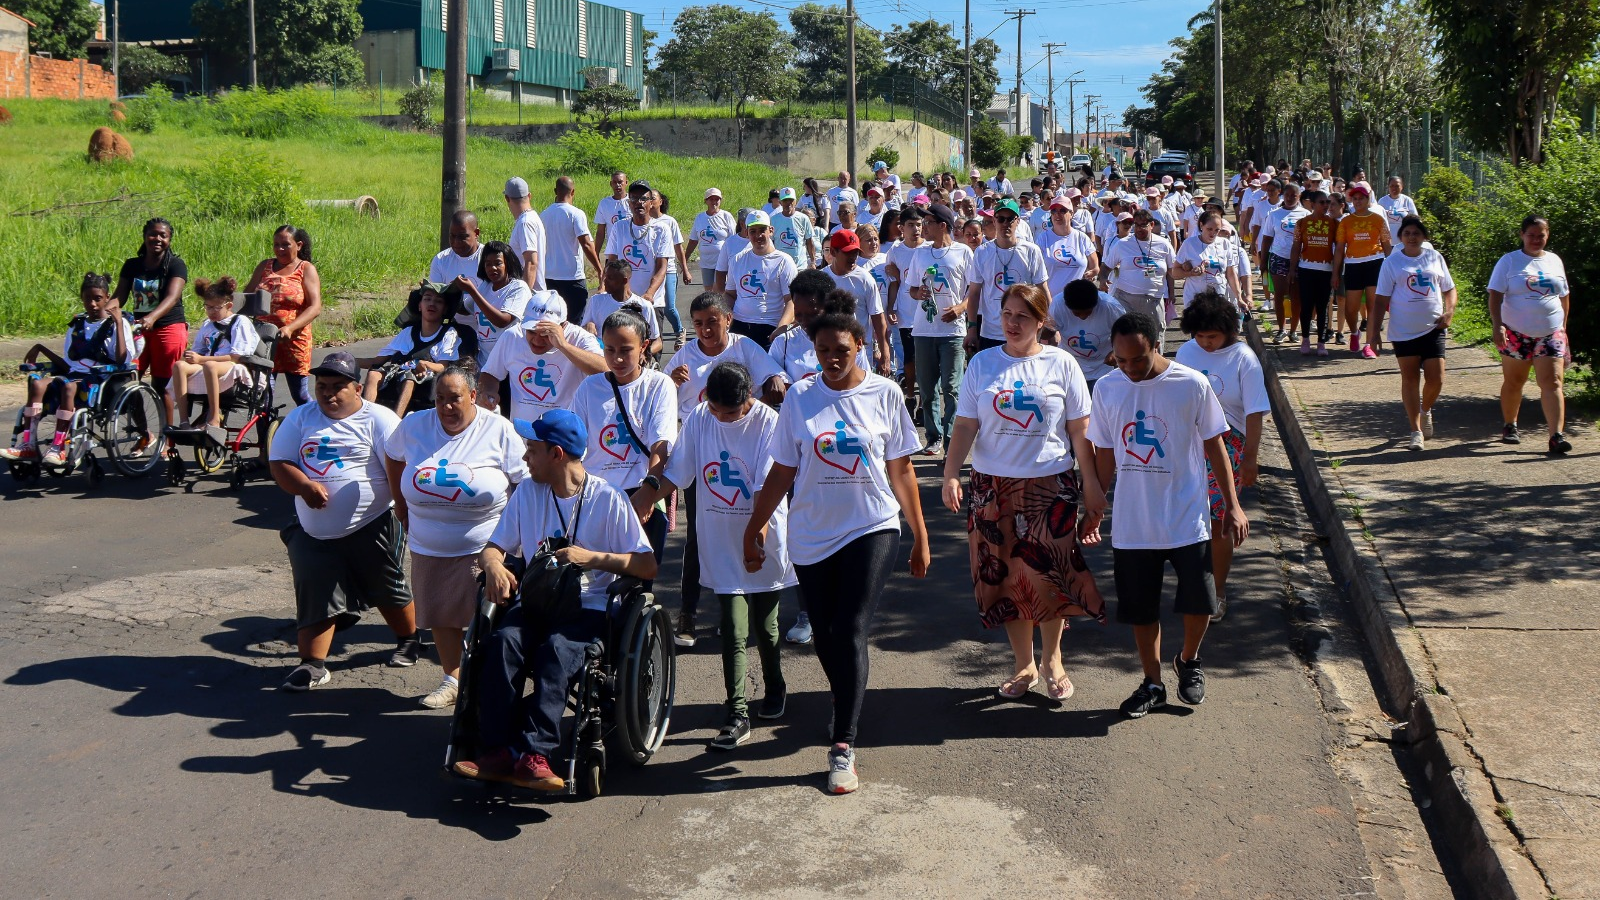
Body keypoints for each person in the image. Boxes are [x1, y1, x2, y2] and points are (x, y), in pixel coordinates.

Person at [742, 298, 929, 795]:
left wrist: (919, 534)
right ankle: (843, 695)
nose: (831, 357)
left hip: (872, 524)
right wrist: (755, 527)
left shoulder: (885, 394)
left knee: (849, 627)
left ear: (860, 345)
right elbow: (782, 470)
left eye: (841, 348)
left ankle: (843, 745)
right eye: (822, 349)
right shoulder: (800, 398)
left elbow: (902, 470)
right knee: (824, 635)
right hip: (811, 533)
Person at [451, 409, 657, 791]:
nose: (525, 458)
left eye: (532, 449)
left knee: (556, 653)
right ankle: (497, 750)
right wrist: (494, 566)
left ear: (556, 454)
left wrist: (592, 557)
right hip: (537, 602)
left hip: (587, 607)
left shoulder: (608, 499)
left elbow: (646, 565)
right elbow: (494, 547)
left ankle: (535, 754)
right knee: (501, 644)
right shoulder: (529, 492)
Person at [942, 283, 1106, 702]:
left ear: (1041, 321)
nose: (1013, 323)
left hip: (1049, 487)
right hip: (991, 489)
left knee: (1049, 577)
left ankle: (1052, 659)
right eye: (1007, 314)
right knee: (1005, 580)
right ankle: (1023, 664)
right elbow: (964, 425)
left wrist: (1092, 487)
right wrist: (950, 474)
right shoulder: (982, 364)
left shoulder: (1062, 364)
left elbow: (1079, 431)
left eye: (1023, 317)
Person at [1086, 313, 1247, 719]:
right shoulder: (1107, 389)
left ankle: (1188, 660)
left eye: (1137, 360)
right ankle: (1153, 683)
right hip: (1133, 523)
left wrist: (1232, 503)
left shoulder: (1191, 384)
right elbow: (1104, 454)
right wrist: (1093, 508)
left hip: (1186, 515)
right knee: (1141, 609)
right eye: (1121, 360)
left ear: (1157, 345)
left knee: (1200, 602)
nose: (1129, 369)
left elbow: (1216, 448)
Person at [632, 362, 794, 749]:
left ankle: (775, 687)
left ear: (748, 399)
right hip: (720, 539)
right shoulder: (702, 418)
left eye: (731, 412)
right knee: (734, 630)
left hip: (761, 534)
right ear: (706, 399)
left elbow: (764, 488)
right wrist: (644, 498)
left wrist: (754, 539)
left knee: (767, 629)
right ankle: (737, 714)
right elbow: (680, 471)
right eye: (717, 409)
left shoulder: (769, 423)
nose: (723, 418)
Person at [268, 351, 420, 692]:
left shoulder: (379, 420)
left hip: (375, 520)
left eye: (337, 386)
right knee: (314, 586)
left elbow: (399, 468)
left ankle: (409, 639)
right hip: (312, 529)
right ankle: (312, 665)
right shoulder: (301, 418)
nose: (328, 393)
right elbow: (280, 462)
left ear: (357, 388)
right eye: (321, 385)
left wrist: (406, 511)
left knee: (386, 585)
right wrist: (304, 486)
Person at [384, 360, 527, 708]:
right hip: (429, 544)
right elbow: (392, 456)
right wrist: (400, 506)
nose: (446, 407)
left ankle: (490, 683)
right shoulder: (415, 425)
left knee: (489, 621)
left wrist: (517, 532)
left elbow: (525, 481)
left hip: (487, 546)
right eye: (440, 399)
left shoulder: (498, 430)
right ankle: (453, 678)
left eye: (455, 398)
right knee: (441, 615)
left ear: (474, 396)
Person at [665, 291, 787, 645]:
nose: (704, 330)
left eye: (712, 322)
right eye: (698, 324)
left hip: (744, 451)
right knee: (700, 534)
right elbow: (661, 399)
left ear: (728, 320)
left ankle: (736, 606)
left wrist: (772, 386)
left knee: (743, 525)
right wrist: (670, 382)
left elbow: (773, 380)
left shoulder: (745, 348)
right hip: (700, 449)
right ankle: (687, 613)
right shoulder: (684, 357)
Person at [1174, 291, 1268, 620]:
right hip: (1189, 441)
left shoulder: (1244, 359)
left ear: (1227, 330)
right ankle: (1193, 581)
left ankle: (1218, 589)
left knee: (1218, 522)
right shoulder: (1186, 351)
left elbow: (1255, 413)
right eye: (1199, 335)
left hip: (1230, 444)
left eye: (1211, 336)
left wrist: (1250, 459)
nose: (1205, 343)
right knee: (1186, 517)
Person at [572, 309, 678, 567]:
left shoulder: (659, 385)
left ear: (643, 347)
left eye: (625, 350)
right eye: (609, 350)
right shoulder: (589, 387)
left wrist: (649, 489)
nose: (616, 358)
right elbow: (575, 444)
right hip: (596, 497)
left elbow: (661, 443)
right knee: (593, 582)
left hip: (642, 494)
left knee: (637, 583)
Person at [4, 272, 136, 465]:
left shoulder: (118, 323)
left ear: (107, 298)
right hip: (73, 375)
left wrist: (117, 322)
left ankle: (58, 447)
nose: (92, 304)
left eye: (98, 299)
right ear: (82, 299)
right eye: (87, 299)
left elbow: (122, 359)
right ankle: (28, 445)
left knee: (68, 386)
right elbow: (68, 365)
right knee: (38, 385)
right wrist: (41, 348)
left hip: (100, 378)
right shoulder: (77, 325)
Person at [1367, 216, 1457, 452]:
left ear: (1423, 236)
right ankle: (1415, 430)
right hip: (1404, 330)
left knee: (1436, 379)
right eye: (1407, 233)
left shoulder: (1434, 257)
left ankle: (1425, 410)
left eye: (1416, 233)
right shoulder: (1392, 263)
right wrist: (1374, 333)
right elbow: (1380, 300)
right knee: (1410, 379)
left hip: (1433, 328)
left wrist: (1449, 312)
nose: (1411, 237)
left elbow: (1449, 288)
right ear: (1401, 237)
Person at [1487, 214, 1572, 454]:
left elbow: (1564, 296)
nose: (1536, 240)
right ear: (1522, 235)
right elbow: (1495, 294)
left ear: (1548, 235)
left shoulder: (1554, 261)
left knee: (1553, 382)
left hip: (1551, 332)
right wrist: (1498, 325)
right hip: (1516, 332)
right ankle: (1510, 424)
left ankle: (1556, 436)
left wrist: (1563, 327)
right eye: (1531, 235)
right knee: (1515, 381)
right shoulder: (1509, 261)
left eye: (1541, 235)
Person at [903, 204, 973, 454]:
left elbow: (972, 291)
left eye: (928, 222)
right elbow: (911, 288)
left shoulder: (963, 252)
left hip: (952, 332)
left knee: (952, 388)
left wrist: (961, 308)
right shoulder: (920, 254)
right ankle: (934, 437)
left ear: (943, 225)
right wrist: (918, 293)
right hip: (923, 331)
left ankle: (953, 438)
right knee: (928, 387)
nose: (923, 227)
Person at [479, 291, 605, 422]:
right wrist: (488, 391)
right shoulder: (512, 336)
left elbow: (605, 370)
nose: (537, 341)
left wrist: (564, 346)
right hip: (521, 434)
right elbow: (490, 373)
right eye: (532, 332)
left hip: (562, 435)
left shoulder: (579, 338)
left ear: (563, 326)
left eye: (546, 334)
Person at [359, 283, 478, 416]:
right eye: (427, 299)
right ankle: (366, 417)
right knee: (374, 373)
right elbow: (377, 361)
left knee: (409, 377)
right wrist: (350, 360)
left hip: (424, 378)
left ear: (445, 309)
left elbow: (443, 367)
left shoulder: (449, 333)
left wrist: (425, 364)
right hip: (399, 372)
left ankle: (396, 422)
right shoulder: (408, 332)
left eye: (438, 301)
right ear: (420, 306)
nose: (432, 304)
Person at [113, 217, 188, 428]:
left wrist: (152, 317)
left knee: (160, 385)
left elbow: (172, 297)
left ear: (169, 239)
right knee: (127, 381)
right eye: (153, 234)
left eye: (163, 235)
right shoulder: (132, 265)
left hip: (168, 327)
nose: (157, 238)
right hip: (138, 330)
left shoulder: (175, 265)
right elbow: (119, 297)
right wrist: (102, 311)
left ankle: (166, 439)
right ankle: (144, 434)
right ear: (145, 236)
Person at [168, 276, 258, 431]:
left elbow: (237, 357)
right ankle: (184, 422)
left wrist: (202, 359)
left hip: (233, 365)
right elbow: (198, 350)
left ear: (228, 305)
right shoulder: (208, 325)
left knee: (210, 365)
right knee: (179, 366)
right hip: (209, 363)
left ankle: (214, 417)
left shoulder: (240, 322)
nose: (211, 312)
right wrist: (190, 356)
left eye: (216, 308)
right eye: (208, 307)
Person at [245, 225, 321, 406]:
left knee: (300, 395)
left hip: (294, 340)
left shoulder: (306, 269)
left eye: (285, 245)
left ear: (299, 245)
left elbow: (315, 307)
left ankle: (313, 428)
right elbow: (246, 298)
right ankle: (267, 434)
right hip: (264, 341)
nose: (279, 249)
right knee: (263, 397)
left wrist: (290, 327)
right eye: (276, 245)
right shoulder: (265, 266)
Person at [965, 200, 1049, 353]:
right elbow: (974, 293)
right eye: (1001, 218)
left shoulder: (1031, 251)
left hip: (1024, 330)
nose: (1005, 223)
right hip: (991, 332)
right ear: (994, 221)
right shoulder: (982, 252)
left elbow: (1042, 290)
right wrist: (971, 329)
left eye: (1010, 219)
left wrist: (1049, 325)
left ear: (1017, 221)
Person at [722, 210, 797, 348]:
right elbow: (730, 294)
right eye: (753, 231)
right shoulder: (737, 259)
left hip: (769, 327)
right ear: (746, 233)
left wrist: (781, 328)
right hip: (739, 325)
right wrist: (723, 318)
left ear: (771, 230)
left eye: (762, 230)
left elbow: (791, 300)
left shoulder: (784, 261)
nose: (758, 236)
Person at [1332, 185, 1392, 358]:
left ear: (1368, 199)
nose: (1358, 201)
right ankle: (1354, 332)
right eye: (1355, 198)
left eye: (1361, 198)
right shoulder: (1346, 222)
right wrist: (1335, 273)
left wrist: (1392, 269)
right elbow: (1339, 249)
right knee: (1351, 308)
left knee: (1373, 306)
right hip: (1353, 265)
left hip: (1375, 263)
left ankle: (1368, 344)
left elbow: (1387, 246)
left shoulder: (1378, 219)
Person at [822, 229, 891, 374]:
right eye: (848, 252)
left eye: (855, 252)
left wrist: (885, 355)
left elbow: (878, 318)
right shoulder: (821, 279)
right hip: (829, 353)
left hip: (860, 354)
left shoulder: (865, 279)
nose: (853, 257)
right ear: (833, 252)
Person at [453, 240, 531, 368]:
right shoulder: (485, 287)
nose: (492, 268)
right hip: (485, 362)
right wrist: (443, 291)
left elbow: (502, 321)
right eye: (488, 264)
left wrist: (472, 291)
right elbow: (465, 308)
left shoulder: (518, 288)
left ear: (508, 264)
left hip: (510, 364)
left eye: (498, 263)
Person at [540, 176, 604, 323]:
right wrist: (599, 269)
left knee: (554, 321)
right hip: (572, 277)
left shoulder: (543, 215)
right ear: (573, 192)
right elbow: (586, 244)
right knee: (574, 323)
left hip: (549, 277)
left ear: (555, 191)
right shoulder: (576, 214)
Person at [603, 181, 670, 319]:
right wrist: (606, 289)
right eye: (633, 198)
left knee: (654, 341)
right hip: (623, 301)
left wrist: (649, 293)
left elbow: (662, 267)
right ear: (628, 203)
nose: (638, 202)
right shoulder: (619, 227)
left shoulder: (661, 229)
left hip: (652, 302)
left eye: (643, 198)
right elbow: (611, 263)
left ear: (651, 203)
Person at [1102, 209, 1174, 335]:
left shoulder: (1164, 244)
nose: (1139, 229)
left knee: (1154, 337)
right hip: (1125, 298)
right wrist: (1103, 279)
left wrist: (1172, 294)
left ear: (1151, 225)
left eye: (1143, 225)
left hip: (1154, 300)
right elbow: (1106, 266)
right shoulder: (1122, 244)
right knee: (1125, 335)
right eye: (1136, 225)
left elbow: (1171, 272)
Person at [1048, 278, 1125, 393]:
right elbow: (1049, 330)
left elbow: (1126, 331)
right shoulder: (1057, 305)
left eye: (1088, 312)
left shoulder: (1110, 306)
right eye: (1077, 313)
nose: (1083, 317)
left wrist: (1116, 351)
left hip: (1102, 367)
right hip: (1070, 365)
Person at [885, 207, 929, 407]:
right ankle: (910, 395)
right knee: (910, 357)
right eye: (911, 225)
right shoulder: (895, 251)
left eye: (919, 224)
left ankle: (924, 401)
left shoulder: (929, 248)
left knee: (926, 359)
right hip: (905, 312)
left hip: (927, 312)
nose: (916, 229)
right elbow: (895, 283)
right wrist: (891, 308)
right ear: (902, 228)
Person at [1288, 190, 1338, 356]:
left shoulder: (1334, 224)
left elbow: (1338, 250)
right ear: (1312, 204)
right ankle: (1305, 339)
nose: (1325, 206)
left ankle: (1321, 343)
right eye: (1321, 202)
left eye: (1327, 203)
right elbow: (1296, 247)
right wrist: (1292, 269)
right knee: (1306, 306)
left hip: (1326, 271)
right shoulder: (1301, 223)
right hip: (1306, 269)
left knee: (1323, 307)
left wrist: (1336, 273)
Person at [1175, 212, 1242, 333]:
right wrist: (1191, 273)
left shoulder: (1225, 244)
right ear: (1201, 226)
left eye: (1217, 230)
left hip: (1218, 299)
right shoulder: (1189, 244)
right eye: (1209, 229)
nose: (1213, 233)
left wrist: (1239, 297)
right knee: (1200, 336)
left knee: (1217, 335)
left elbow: (1231, 275)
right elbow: (1174, 272)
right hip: (1195, 299)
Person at [581, 259, 661, 359]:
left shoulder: (644, 306)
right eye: (605, 276)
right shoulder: (596, 301)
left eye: (610, 278)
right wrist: (588, 325)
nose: (604, 281)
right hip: (601, 356)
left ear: (624, 280)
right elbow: (582, 332)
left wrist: (643, 354)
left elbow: (657, 342)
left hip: (629, 357)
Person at [1260, 182, 1309, 343]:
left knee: (1297, 297)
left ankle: (1294, 331)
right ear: (1283, 195)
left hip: (1300, 261)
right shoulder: (1274, 215)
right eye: (1287, 195)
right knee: (1279, 295)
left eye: (1293, 195)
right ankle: (1281, 329)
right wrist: (1263, 260)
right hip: (1278, 258)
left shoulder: (1305, 215)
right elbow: (1267, 238)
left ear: (1299, 196)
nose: (1289, 198)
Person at [1039, 196, 1102, 303]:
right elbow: (1037, 273)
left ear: (1071, 213)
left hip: (1078, 301)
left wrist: (1092, 272)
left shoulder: (1081, 238)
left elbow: (1095, 267)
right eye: (1054, 211)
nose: (1057, 214)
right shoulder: (1043, 238)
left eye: (1062, 210)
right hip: (1051, 301)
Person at [649, 189, 690, 342]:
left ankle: (679, 331)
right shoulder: (643, 222)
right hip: (651, 271)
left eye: (653, 198)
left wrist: (685, 269)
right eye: (648, 198)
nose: (650, 201)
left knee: (668, 307)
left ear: (660, 202)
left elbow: (679, 248)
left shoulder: (669, 221)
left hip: (669, 270)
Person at [429, 210, 490, 298]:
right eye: (452, 236)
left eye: (462, 236)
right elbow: (437, 298)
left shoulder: (488, 259)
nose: (456, 242)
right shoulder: (440, 260)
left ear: (476, 233)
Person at [688, 188, 737, 289]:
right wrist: (685, 258)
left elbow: (734, 238)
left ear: (720, 200)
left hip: (722, 261)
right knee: (708, 291)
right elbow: (693, 240)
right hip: (706, 262)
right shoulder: (700, 218)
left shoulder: (726, 216)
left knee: (719, 290)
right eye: (711, 199)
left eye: (717, 199)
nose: (714, 202)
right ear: (705, 201)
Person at [504, 176, 546, 291]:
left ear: (507, 198)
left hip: (531, 295)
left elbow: (531, 262)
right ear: (529, 196)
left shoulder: (525, 223)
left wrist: (524, 296)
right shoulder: (532, 218)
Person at [593, 170, 631, 254]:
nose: (618, 185)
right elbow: (600, 231)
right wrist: (596, 254)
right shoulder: (604, 203)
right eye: (614, 182)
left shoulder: (632, 202)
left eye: (620, 182)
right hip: (613, 252)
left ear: (626, 182)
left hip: (630, 251)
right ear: (611, 184)